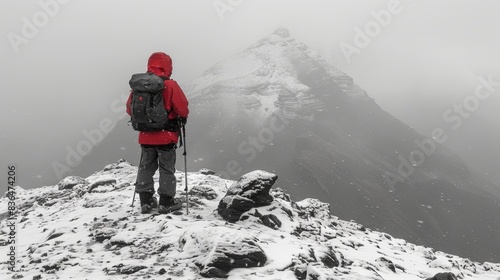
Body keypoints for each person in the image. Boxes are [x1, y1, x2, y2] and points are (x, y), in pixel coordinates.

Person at [126, 52, 189, 214]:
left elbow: (129, 108)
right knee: (166, 168)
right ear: (168, 66)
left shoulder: (140, 85)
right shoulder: (170, 85)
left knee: (146, 166)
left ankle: (146, 200)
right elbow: (182, 108)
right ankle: (166, 202)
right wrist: (180, 117)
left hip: (145, 135)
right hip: (166, 135)